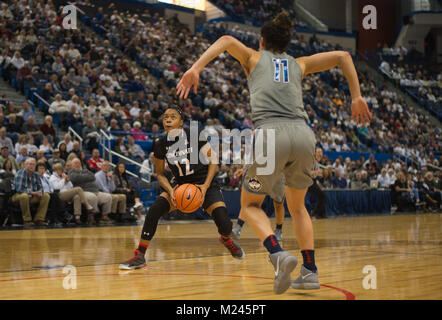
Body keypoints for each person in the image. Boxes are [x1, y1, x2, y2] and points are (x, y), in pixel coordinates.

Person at [176, 11, 371, 294]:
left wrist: (196, 68)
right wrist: (356, 96)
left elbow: (227, 39)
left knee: (250, 206)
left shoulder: (254, 58)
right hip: (304, 135)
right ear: (286, 43)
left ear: (262, 40)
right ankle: (310, 271)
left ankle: (277, 253)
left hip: (271, 134)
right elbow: (343, 56)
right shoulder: (299, 63)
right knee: (298, 206)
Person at [119, 107, 244, 270]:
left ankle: (226, 239)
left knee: (225, 224)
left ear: (181, 122)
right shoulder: (160, 144)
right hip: (180, 186)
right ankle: (140, 255)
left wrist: (205, 187)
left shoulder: (194, 135)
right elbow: (160, 174)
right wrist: (171, 192)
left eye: (173, 117)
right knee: (154, 211)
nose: (168, 120)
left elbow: (213, 161)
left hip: (204, 183)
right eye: (165, 117)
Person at [69, 158, 113, 224]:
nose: (78, 164)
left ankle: (104, 216)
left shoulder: (85, 170)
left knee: (108, 197)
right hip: (83, 191)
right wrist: (86, 177)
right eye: (75, 163)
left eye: (79, 162)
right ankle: (92, 217)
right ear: (72, 165)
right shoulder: (71, 172)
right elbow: (75, 178)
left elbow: (92, 176)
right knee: (92, 197)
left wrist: (82, 177)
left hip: (95, 191)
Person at [11, 158, 50, 226]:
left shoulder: (36, 175)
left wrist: (39, 192)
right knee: (24, 196)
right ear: (25, 165)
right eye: (30, 164)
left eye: (34, 164)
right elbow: (19, 190)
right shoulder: (20, 173)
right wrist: (34, 193)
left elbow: (40, 188)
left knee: (46, 196)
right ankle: (27, 220)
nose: (32, 166)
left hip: (31, 197)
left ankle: (39, 219)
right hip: (17, 196)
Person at [308, 147, 326, 219]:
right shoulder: (311, 161)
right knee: (322, 196)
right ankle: (314, 213)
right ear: (315, 153)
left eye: (321, 152)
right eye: (318, 152)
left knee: (322, 196)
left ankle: (320, 214)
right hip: (308, 182)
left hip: (313, 181)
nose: (320, 154)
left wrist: (319, 175)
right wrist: (317, 172)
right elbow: (308, 172)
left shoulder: (317, 163)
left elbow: (315, 174)